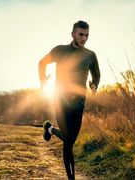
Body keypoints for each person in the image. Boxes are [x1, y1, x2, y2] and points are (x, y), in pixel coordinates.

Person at [38, 20, 100, 179]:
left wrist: (94, 85)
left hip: (79, 103)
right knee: (68, 144)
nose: (84, 38)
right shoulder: (60, 50)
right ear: (73, 34)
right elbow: (42, 63)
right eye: (81, 34)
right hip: (60, 100)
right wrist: (43, 81)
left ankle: (49, 129)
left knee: (70, 139)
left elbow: (96, 75)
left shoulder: (90, 55)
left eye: (87, 35)